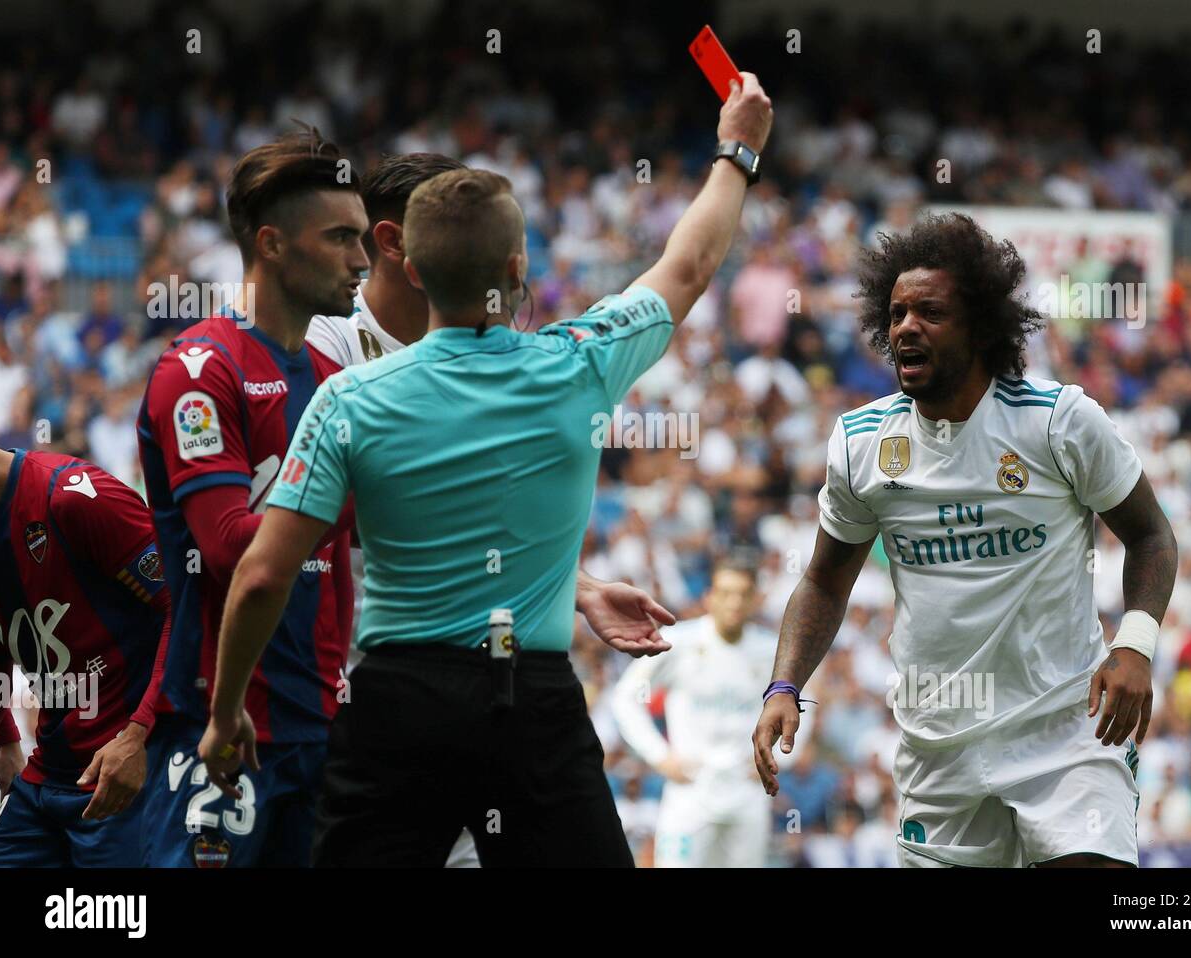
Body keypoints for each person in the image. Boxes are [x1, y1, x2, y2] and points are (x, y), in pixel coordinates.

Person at [200, 73, 774, 866]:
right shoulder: (579, 363)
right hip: (529, 702)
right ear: (516, 265)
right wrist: (737, 149)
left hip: (395, 702)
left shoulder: (348, 400)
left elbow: (263, 576)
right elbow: (688, 264)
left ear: (410, 264)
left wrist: (223, 711)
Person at [754, 213, 1179, 868]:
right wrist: (784, 687)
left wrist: (1136, 645)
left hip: (1067, 733)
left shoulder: (1057, 422)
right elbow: (822, 581)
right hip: (940, 751)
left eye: (929, 312)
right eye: (895, 314)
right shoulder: (862, 444)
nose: (905, 329)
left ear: (981, 326)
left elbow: (1151, 534)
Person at [307, 151, 681, 867]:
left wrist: (580, 588)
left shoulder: (474, 364)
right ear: (401, 247)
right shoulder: (328, 350)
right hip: (360, 682)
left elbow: (458, 518)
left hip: (470, 685)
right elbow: (331, 530)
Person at [135, 130, 365, 867]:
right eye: (339, 238)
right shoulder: (200, 370)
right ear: (271, 243)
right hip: (221, 726)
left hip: (316, 721)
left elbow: (370, 530)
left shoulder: (334, 372)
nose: (361, 259)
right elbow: (231, 546)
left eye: (362, 238)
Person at [0, 446, 169, 866]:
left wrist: (140, 735)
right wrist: (4, 739)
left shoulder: (71, 496)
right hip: (48, 773)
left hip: (124, 775)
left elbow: (187, 609)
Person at [611, 559, 811, 867]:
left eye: (743, 593)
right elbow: (625, 697)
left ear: (755, 599)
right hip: (689, 792)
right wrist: (660, 756)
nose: (734, 602)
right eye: (725, 592)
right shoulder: (680, 642)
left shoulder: (771, 651)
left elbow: (800, 706)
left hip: (746, 793)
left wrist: (779, 758)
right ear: (709, 597)